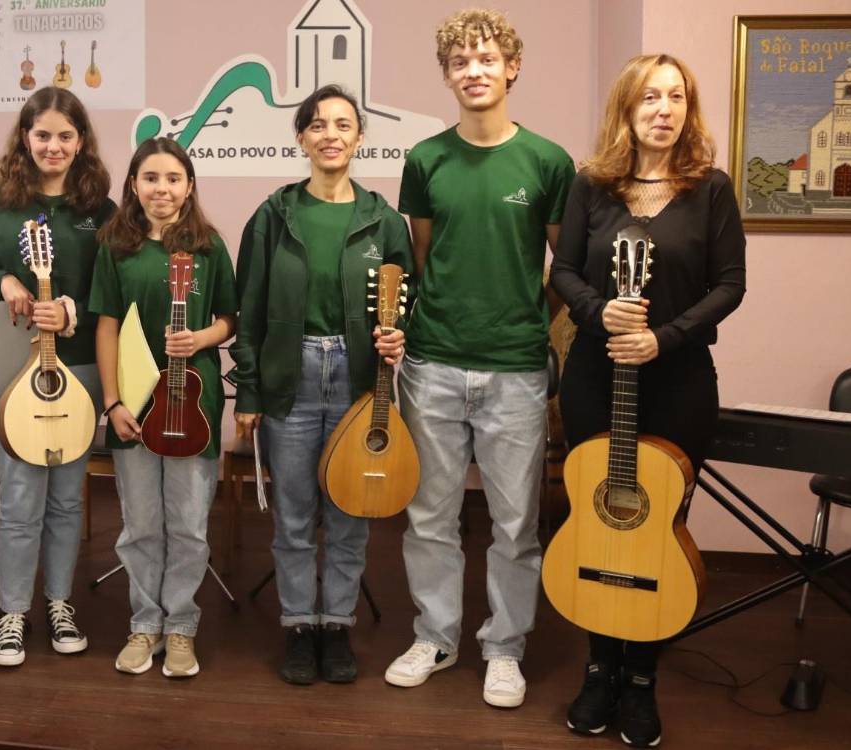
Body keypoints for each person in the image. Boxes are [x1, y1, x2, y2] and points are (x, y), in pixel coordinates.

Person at [552, 53, 746, 748]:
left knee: (657, 526)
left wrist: (661, 339)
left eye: (676, 98)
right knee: (600, 519)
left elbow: (728, 285)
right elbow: (564, 270)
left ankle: (641, 679)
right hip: (593, 381)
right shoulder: (590, 186)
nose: (663, 110)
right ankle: (598, 667)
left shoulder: (710, 189)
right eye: (649, 99)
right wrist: (598, 312)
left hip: (679, 381)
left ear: (687, 110)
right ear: (626, 110)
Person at [385, 9, 575, 709]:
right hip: (431, 364)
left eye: (486, 58)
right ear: (446, 75)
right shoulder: (425, 160)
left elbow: (562, 266)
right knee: (428, 514)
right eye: (460, 61)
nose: (474, 70)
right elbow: (426, 258)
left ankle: (503, 647)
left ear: (511, 67)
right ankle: (434, 637)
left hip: (516, 370)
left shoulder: (548, 163)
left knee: (514, 523)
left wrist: (522, 321)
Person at [230, 84, 412, 686]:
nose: (330, 134)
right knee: (294, 515)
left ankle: (337, 626)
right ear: (302, 137)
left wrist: (397, 337)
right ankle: (297, 628)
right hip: (291, 379)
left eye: (343, 124)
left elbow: (406, 306)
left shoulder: (384, 221)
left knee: (351, 513)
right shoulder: (272, 217)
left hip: (361, 383)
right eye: (318, 124)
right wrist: (250, 395)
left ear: (359, 137)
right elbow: (249, 313)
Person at [0, 87, 115, 667]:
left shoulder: (101, 209)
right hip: (7, 368)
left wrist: (73, 311)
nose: (54, 146)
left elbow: (115, 294)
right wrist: (4, 281)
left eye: (66, 136)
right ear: (25, 137)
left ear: (81, 142)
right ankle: (13, 612)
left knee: (68, 499)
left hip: (79, 368)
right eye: (42, 134)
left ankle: (60, 602)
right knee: (20, 496)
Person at [90, 137, 237, 678]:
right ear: (133, 184)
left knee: (190, 524)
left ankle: (181, 626)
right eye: (150, 178)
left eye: (173, 178)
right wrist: (112, 402)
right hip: (134, 405)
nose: (162, 189)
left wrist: (201, 338)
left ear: (190, 185)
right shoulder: (116, 246)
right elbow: (106, 325)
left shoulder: (209, 247)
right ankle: (144, 622)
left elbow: (230, 319)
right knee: (141, 524)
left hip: (192, 403)